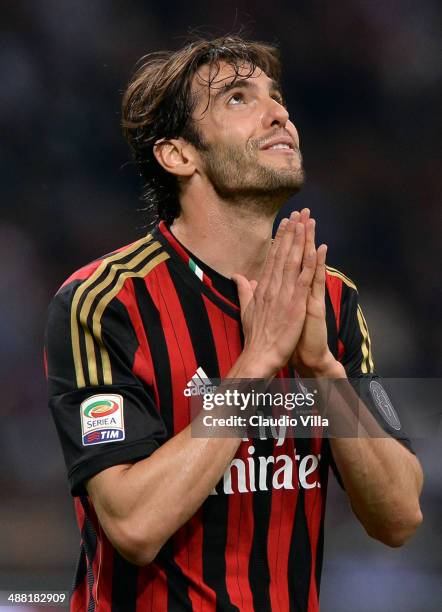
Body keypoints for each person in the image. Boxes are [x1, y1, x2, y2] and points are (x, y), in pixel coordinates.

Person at [45, 36, 423, 612]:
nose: (281, 114)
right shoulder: (104, 301)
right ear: (178, 155)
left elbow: (401, 515)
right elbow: (134, 525)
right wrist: (255, 367)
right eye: (240, 99)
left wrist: (321, 369)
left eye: (277, 98)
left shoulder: (330, 298)